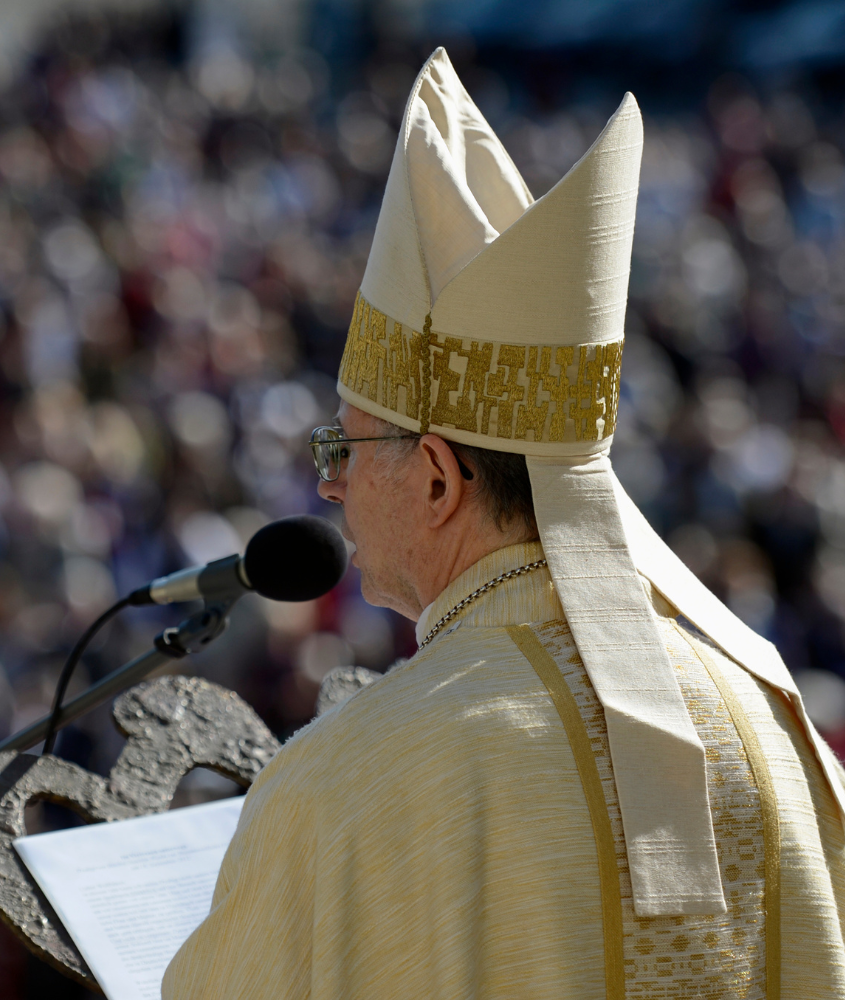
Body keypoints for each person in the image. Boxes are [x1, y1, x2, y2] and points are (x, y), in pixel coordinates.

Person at [162, 48, 845, 999]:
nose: (328, 490)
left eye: (343, 452)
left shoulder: (346, 784)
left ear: (438, 478)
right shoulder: (771, 725)